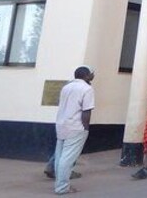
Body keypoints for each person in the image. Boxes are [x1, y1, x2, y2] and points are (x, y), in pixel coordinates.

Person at [53, 65, 95, 195]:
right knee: (68, 158)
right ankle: (62, 187)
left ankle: (60, 183)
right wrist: (85, 128)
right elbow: (86, 111)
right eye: (91, 74)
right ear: (86, 76)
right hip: (76, 126)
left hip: (61, 124)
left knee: (60, 156)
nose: (93, 76)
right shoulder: (87, 89)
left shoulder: (66, 87)